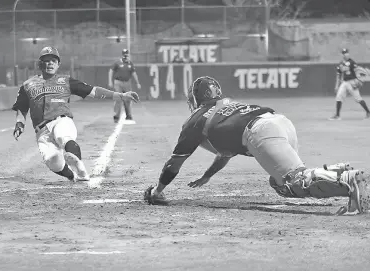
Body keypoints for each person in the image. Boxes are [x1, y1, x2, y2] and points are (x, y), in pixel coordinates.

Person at [144, 76, 369, 215]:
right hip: (279, 122)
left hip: (260, 132)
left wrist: (158, 191)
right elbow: (225, 151)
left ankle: (348, 180)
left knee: (295, 182)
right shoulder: (226, 104)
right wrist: (207, 175)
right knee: (280, 185)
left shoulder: (195, 120)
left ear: (195, 98)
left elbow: (175, 162)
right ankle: (340, 172)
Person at [12, 46, 139, 182]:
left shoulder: (66, 80)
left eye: (53, 60)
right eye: (46, 60)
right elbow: (22, 108)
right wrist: (19, 124)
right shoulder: (28, 85)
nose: (50, 63)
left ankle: (80, 167)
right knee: (53, 162)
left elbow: (94, 91)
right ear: (39, 64)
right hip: (42, 132)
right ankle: (74, 176)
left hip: (61, 120)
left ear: (58, 64)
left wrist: (121, 95)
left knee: (63, 136)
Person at [329, 48, 370, 120]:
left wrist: (359, 81)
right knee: (339, 97)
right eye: (344, 53)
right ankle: (337, 115)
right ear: (342, 55)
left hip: (352, 82)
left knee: (358, 99)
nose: (346, 54)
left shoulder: (352, 62)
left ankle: (368, 112)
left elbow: (358, 72)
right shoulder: (341, 63)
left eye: (347, 52)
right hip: (344, 82)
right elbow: (338, 74)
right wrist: (336, 86)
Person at [111, 49, 141, 124]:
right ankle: (116, 116)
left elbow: (134, 73)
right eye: (124, 54)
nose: (125, 56)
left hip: (127, 83)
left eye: (126, 54)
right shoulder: (117, 62)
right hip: (118, 82)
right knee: (118, 99)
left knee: (128, 99)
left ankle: (129, 115)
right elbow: (111, 71)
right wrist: (110, 81)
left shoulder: (130, 63)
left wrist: (138, 83)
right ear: (122, 55)